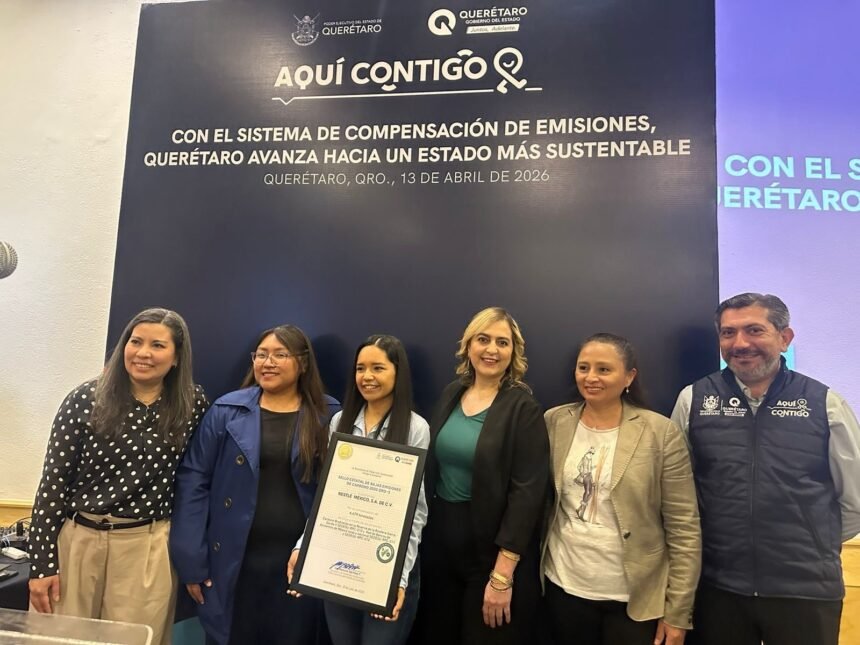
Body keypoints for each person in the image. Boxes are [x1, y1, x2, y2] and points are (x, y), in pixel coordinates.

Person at [671, 293, 860, 645]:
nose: (740, 343)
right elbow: (678, 494)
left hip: (805, 590)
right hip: (718, 588)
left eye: (754, 330)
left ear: (784, 338)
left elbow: (854, 499)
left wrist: (811, 541)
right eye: (728, 333)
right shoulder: (694, 400)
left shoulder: (825, 404)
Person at [28, 307, 208, 645]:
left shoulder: (191, 404)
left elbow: (198, 481)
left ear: (176, 357)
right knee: (58, 639)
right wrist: (42, 565)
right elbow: (52, 485)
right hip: (79, 542)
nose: (143, 353)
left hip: (146, 547)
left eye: (157, 345)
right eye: (135, 341)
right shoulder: (85, 399)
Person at [170, 325, 340, 645]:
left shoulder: (329, 415)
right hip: (233, 562)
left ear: (303, 363)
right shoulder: (226, 410)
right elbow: (194, 481)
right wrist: (191, 560)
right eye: (261, 355)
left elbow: (340, 492)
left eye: (279, 354)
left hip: (298, 563)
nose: (267, 362)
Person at [541, 333, 701, 645]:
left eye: (604, 369)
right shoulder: (555, 421)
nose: (591, 377)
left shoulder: (660, 433)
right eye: (583, 368)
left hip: (634, 599)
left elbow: (684, 527)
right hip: (564, 586)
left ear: (629, 377)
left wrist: (678, 612)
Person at [414, 307, 549, 645]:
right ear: (468, 345)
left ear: (513, 352)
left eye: (502, 342)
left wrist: (502, 576)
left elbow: (527, 494)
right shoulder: (452, 393)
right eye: (483, 339)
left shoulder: (523, 409)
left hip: (490, 552)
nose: (491, 350)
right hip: (441, 544)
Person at [288, 334, 430, 645]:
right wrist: (303, 547)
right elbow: (329, 498)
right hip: (340, 565)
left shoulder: (415, 428)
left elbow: (415, 512)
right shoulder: (340, 421)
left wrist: (399, 578)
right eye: (360, 368)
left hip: (386, 567)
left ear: (398, 373)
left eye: (378, 368)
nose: (367, 376)